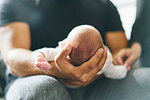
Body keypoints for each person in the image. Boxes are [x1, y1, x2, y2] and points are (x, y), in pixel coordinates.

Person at [0, 0, 150, 100]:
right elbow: (13, 57)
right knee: (43, 89)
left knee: (146, 80)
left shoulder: (103, 4)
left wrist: (122, 58)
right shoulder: (17, 3)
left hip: (99, 81)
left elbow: (119, 50)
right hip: (35, 77)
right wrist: (54, 69)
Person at [32, 25, 127, 80]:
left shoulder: (63, 54)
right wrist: (124, 69)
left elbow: (47, 52)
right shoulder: (105, 61)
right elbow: (115, 72)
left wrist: (39, 57)